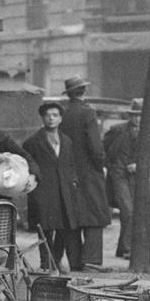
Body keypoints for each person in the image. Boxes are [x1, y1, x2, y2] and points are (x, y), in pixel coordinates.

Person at [23, 100, 81, 274]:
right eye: (47, 115)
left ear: (60, 119)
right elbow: (28, 164)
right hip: (44, 191)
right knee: (45, 228)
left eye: (55, 115)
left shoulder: (67, 141)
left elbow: (70, 164)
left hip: (64, 191)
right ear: (42, 118)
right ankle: (46, 263)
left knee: (65, 227)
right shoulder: (33, 142)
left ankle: (55, 259)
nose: (51, 119)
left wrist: (73, 180)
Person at [58, 76, 111, 271]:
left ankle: (75, 261)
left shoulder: (64, 114)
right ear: (84, 92)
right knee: (95, 217)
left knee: (73, 218)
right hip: (89, 173)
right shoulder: (88, 113)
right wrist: (101, 165)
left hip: (69, 173)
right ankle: (91, 262)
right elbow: (96, 147)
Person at [103, 99, 150, 260]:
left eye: (140, 116)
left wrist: (139, 165)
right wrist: (112, 166)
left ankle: (121, 248)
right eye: (134, 116)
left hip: (138, 179)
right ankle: (128, 249)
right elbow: (102, 150)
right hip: (119, 177)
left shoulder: (148, 133)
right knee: (128, 211)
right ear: (129, 116)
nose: (137, 120)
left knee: (132, 213)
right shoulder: (117, 130)